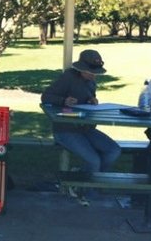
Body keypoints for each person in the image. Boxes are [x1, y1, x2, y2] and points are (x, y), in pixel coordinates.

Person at [41, 49, 121, 204]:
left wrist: (92, 100)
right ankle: (86, 192)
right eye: (91, 71)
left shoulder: (91, 81)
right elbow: (46, 97)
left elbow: (88, 96)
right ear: (81, 68)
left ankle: (84, 180)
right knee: (94, 160)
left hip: (86, 128)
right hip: (66, 129)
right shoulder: (68, 78)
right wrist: (64, 101)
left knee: (113, 150)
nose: (94, 75)